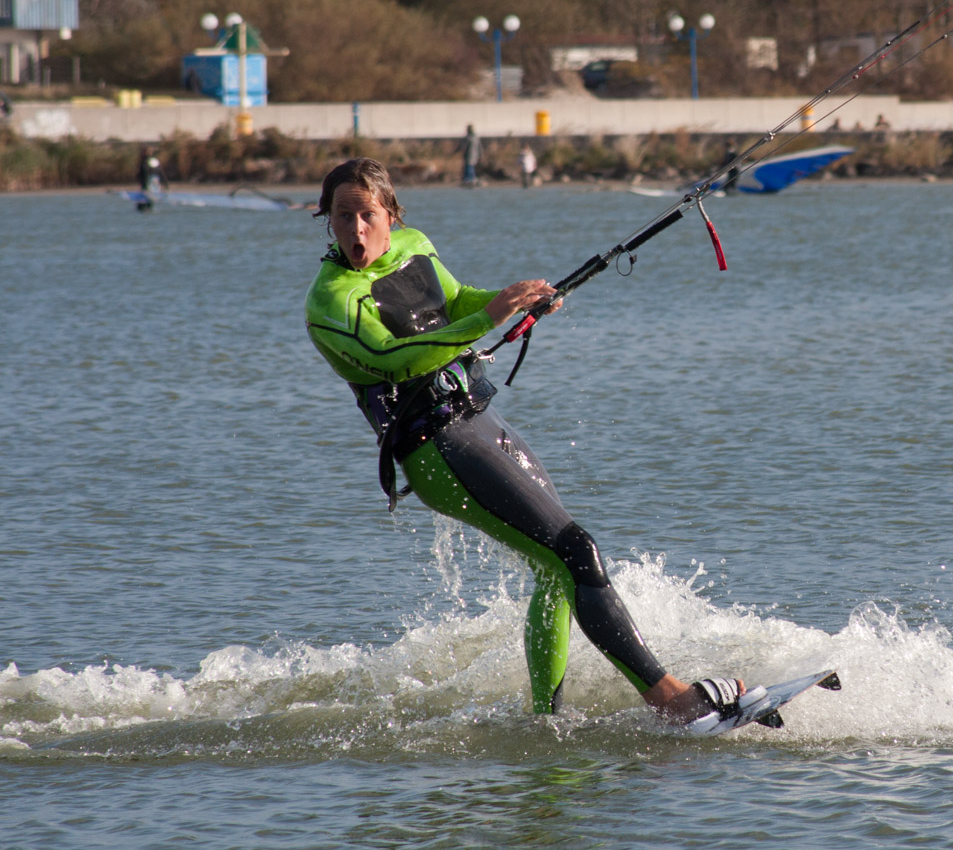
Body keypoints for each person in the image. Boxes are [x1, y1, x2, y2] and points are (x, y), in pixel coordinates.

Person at [303, 158, 743, 722]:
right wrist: (491, 315)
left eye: (368, 214)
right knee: (575, 551)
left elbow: (455, 301)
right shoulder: (330, 301)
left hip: (476, 420)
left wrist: (517, 297)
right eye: (343, 217)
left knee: (556, 568)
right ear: (327, 220)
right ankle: (672, 701)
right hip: (434, 448)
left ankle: (546, 720)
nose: (357, 230)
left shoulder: (414, 245)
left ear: (391, 214)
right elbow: (399, 358)